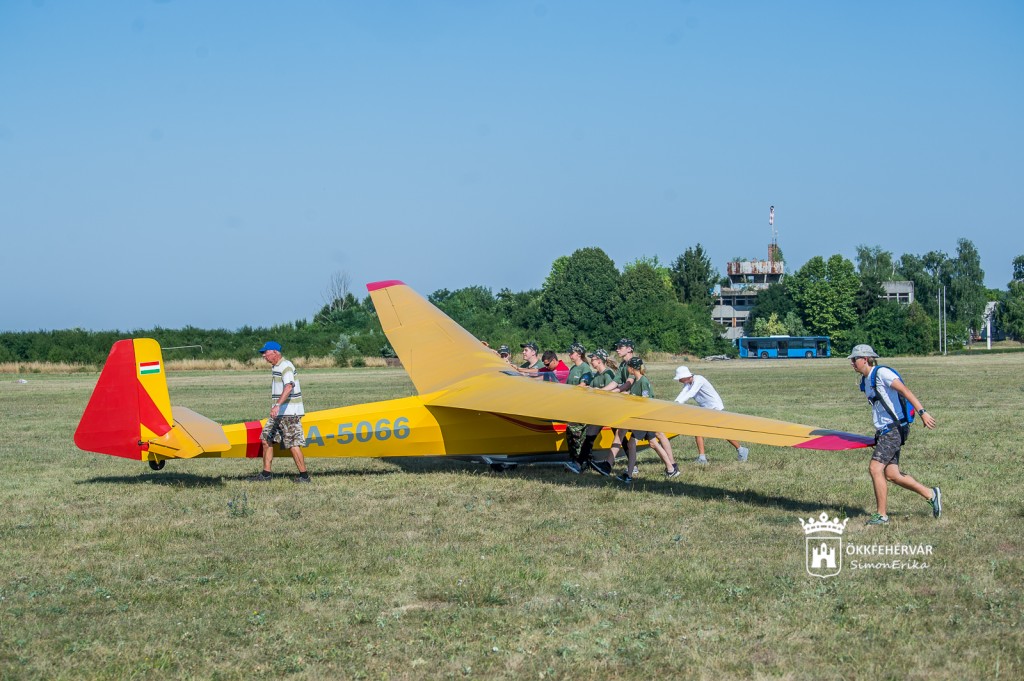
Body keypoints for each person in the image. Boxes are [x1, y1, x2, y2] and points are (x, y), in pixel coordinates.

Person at [848, 344, 940, 525]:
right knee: (892, 474)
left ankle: (881, 515)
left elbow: (905, 391)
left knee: (875, 468)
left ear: (865, 359)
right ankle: (931, 494)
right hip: (885, 431)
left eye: (854, 359)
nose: (851, 363)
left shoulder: (882, 373)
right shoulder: (865, 380)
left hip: (894, 429)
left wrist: (922, 412)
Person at [250, 341, 311, 483]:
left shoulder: (286, 366)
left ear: (275, 352)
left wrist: (277, 405)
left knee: (293, 444)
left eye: (265, 352)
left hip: (289, 413)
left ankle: (304, 477)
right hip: (279, 414)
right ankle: (266, 475)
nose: (263, 355)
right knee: (266, 439)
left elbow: (289, 387)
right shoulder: (276, 367)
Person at [618, 357, 679, 482]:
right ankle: (671, 469)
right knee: (653, 443)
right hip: (643, 417)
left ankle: (629, 474)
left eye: (628, 366)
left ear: (632, 368)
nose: (627, 368)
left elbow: (645, 401)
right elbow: (636, 395)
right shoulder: (636, 381)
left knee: (631, 444)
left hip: (644, 418)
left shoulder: (643, 381)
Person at [672, 366, 750, 463]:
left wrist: (678, 403)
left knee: (712, 431)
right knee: (702, 430)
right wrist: (675, 403)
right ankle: (740, 450)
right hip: (706, 409)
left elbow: (691, 393)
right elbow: (683, 392)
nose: (679, 380)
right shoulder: (688, 383)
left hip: (715, 408)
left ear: (686, 376)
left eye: (680, 378)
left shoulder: (699, 380)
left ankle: (704, 458)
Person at [564, 343, 594, 472]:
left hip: (581, 407)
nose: (569, 354)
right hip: (572, 406)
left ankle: (582, 461)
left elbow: (582, 385)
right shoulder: (573, 368)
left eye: (572, 353)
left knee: (576, 434)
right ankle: (575, 460)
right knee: (571, 434)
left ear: (579, 354)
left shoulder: (585, 368)